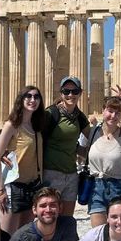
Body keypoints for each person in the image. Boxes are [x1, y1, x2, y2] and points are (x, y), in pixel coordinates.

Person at [0, 86, 45, 235]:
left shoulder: (37, 126)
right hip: (14, 187)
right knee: (6, 236)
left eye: (36, 97)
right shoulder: (12, 125)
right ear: (21, 99)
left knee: (23, 236)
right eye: (28, 96)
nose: (32, 100)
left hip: (33, 187)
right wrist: (0, 190)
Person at [43, 76, 91, 216]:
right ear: (61, 93)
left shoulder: (80, 117)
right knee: (49, 217)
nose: (71, 95)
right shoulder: (51, 113)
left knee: (67, 219)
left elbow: (93, 137)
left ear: (80, 93)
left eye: (75, 91)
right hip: (51, 173)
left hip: (71, 174)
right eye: (66, 91)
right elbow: (34, 136)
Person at [86, 97, 121, 227]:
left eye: (118, 113)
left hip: (118, 186)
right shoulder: (92, 132)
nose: (113, 116)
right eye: (110, 111)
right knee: (98, 234)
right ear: (103, 110)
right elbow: (81, 153)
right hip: (95, 187)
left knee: (120, 233)